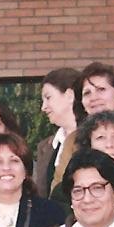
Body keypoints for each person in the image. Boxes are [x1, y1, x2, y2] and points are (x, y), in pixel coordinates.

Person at [34, 67, 81, 199]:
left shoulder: (96, 140)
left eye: (48, 98)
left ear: (70, 95)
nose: (43, 107)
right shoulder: (45, 147)